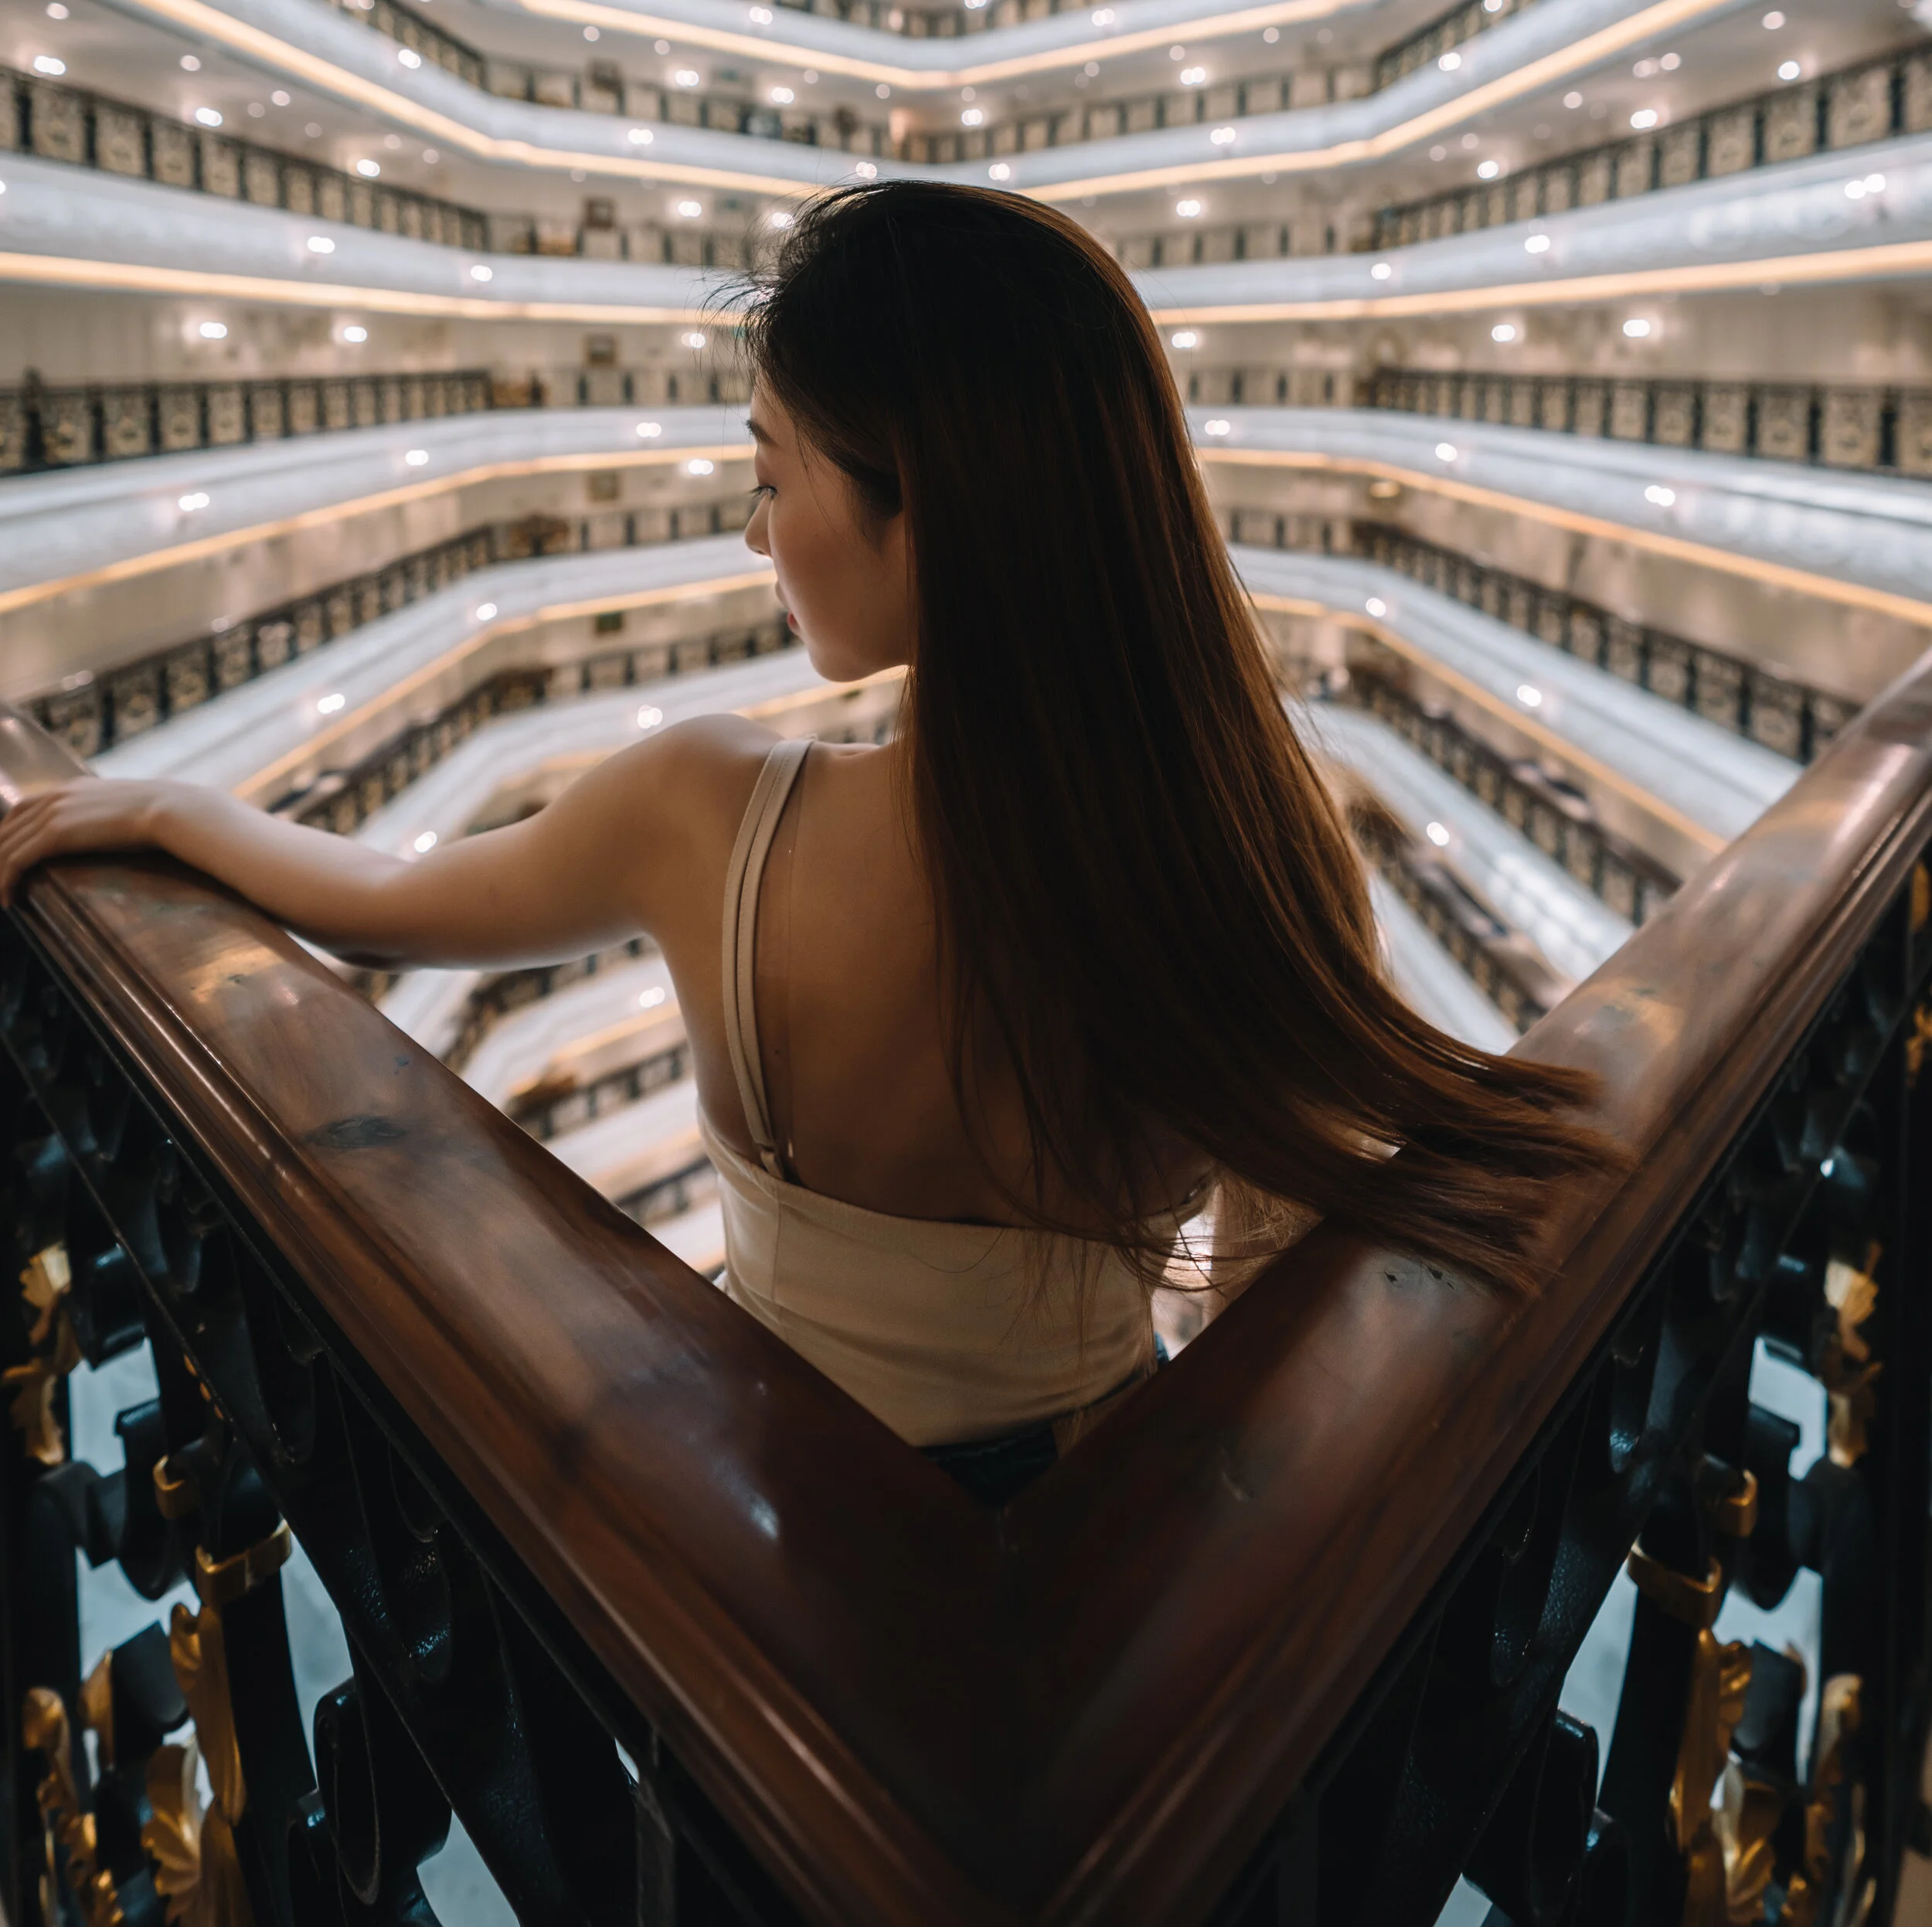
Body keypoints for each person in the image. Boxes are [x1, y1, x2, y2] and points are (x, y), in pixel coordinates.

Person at [0, 182, 1607, 1503]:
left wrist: (162, 807)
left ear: (925, 506)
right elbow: (1274, 1302)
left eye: (770, 472)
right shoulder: (1239, 835)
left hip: (778, 1530)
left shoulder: (709, 810)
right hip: (1112, 1534)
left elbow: (393, 905)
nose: (751, 528)